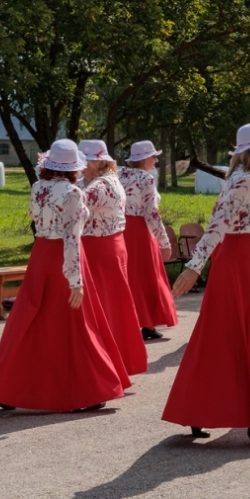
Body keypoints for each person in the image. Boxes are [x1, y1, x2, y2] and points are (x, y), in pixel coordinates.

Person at [166, 122, 250, 445]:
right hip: (237, 264)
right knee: (228, 336)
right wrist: (194, 267)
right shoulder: (241, 181)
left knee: (245, 338)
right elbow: (216, 227)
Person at [0, 141, 129, 412]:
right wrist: (76, 280)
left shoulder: (38, 188)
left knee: (29, 320)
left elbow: (37, 221)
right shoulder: (73, 193)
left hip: (40, 257)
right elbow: (72, 239)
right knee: (74, 326)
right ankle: (86, 389)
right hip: (63, 258)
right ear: (74, 167)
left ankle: (7, 385)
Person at [79, 141, 146, 377]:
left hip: (98, 249)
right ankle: (117, 360)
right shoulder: (105, 181)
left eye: (84, 162)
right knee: (112, 306)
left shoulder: (100, 185)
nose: (80, 167)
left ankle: (104, 363)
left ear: (97, 161)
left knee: (101, 308)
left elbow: (69, 206)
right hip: (109, 247)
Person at [118, 141, 178, 342]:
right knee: (146, 274)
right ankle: (147, 323)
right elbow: (151, 212)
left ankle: (129, 321)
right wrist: (164, 241)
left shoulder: (119, 174)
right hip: (141, 231)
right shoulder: (146, 179)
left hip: (120, 229)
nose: (156, 160)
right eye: (153, 156)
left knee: (129, 275)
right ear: (144, 158)